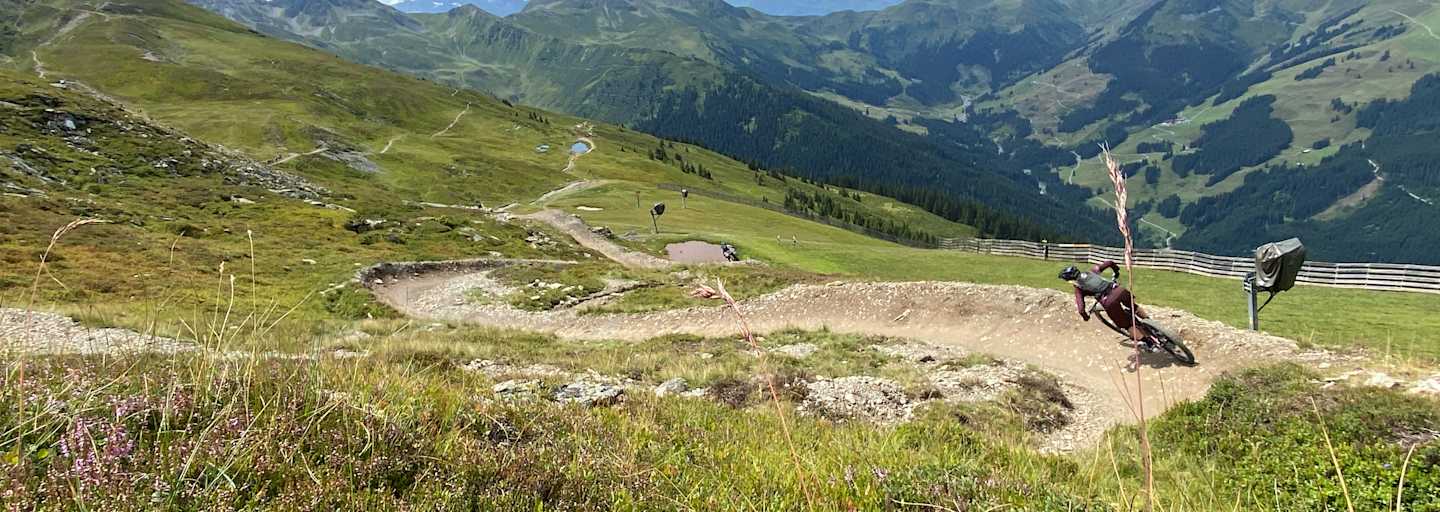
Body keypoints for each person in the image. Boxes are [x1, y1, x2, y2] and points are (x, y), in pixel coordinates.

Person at [1059, 261, 1156, 352]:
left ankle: (1150, 343)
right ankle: (1152, 325)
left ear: (1070, 280)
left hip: (1109, 301)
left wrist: (1085, 317)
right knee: (1134, 307)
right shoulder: (1092, 271)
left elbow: (1081, 309)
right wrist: (1116, 271)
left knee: (1127, 325)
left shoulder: (1078, 288)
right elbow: (1109, 263)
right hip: (1119, 290)